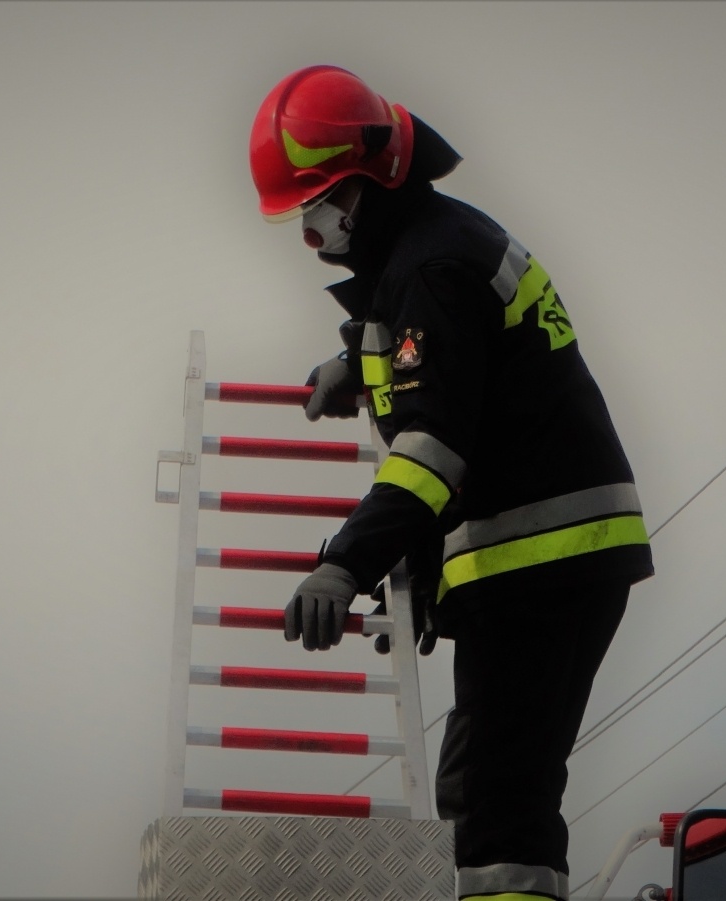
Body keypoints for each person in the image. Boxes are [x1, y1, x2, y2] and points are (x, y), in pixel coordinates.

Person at [249, 65, 654, 901]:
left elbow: (433, 449)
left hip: (540, 557)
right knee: (489, 786)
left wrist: (344, 565)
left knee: (502, 803)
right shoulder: (436, 244)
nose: (313, 231)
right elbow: (453, 362)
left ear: (366, 183)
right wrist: (356, 360)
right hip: (550, 552)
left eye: (320, 204)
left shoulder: (430, 268)